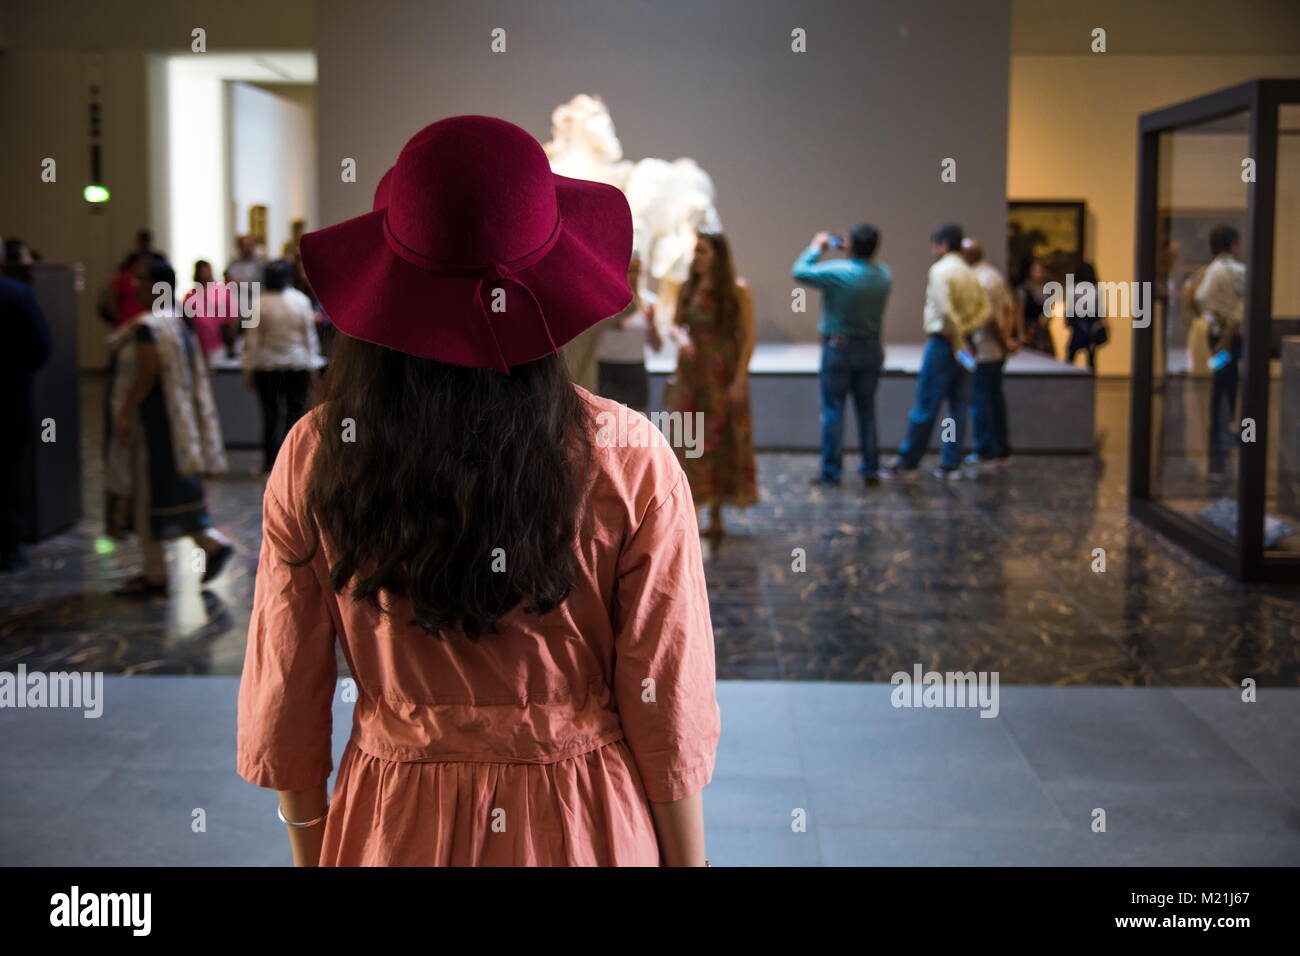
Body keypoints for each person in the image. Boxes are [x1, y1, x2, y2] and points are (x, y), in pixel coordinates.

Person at [237, 115, 720, 867]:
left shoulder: (317, 453)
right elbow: (666, 702)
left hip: (392, 826)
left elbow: (287, 697)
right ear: (552, 280)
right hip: (584, 821)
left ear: (388, 286)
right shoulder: (632, 459)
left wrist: (312, 847)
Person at [104, 257, 233, 596]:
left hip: (153, 421)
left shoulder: (149, 326)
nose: (135, 285)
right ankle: (209, 544)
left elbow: (147, 372)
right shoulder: (176, 319)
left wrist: (125, 411)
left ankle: (156, 571)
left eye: (141, 279)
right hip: (175, 420)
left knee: (149, 491)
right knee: (173, 487)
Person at [664, 231, 758, 536]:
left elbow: (748, 335)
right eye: (696, 252)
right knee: (686, 437)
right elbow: (676, 324)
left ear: (718, 255)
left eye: (703, 251)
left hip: (720, 373)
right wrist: (680, 338)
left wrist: (739, 378)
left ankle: (715, 512)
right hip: (691, 373)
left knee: (719, 438)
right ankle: (693, 508)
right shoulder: (686, 288)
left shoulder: (735, 290)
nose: (697, 258)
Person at [881, 223, 989, 480]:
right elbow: (984, 310)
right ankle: (951, 461)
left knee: (926, 404)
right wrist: (966, 331)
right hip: (967, 346)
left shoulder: (941, 271)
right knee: (958, 405)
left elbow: (943, 307)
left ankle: (910, 459)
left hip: (944, 344)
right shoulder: (970, 272)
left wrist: (955, 333)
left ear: (942, 245)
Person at [792, 223, 892, 488]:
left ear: (851, 244)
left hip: (839, 348)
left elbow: (800, 272)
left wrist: (817, 247)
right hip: (871, 348)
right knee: (867, 409)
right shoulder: (884, 275)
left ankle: (831, 472)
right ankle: (870, 467)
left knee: (833, 410)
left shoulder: (840, 272)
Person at [242, 259, 324, 474]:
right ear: (289, 277)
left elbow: (252, 340)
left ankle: (269, 463)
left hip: (266, 366)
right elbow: (309, 337)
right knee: (295, 414)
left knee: (269, 414)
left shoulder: (258, 302)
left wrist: (248, 369)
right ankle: (293, 463)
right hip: (297, 364)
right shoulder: (300, 301)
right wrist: (313, 366)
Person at [0, 276, 51, 571]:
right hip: (10, 398)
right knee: (8, 472)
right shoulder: (16, 294)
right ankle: (10, 546)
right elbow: (40, 345)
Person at [1194, 225, 1246, 480]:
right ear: (1232, 244)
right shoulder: (1233, 270)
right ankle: (1225, 429)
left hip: (1218, 335)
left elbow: (1202, 299)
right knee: (1228, 382)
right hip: (1229, 337)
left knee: (1223, 381)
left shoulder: (1213, 270)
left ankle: (1222, 429)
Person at [961, 238, 1014, 469]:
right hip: (993, 350)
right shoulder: (993, 275)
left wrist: (1004, 342)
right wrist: (1009, 340)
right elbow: (1008, 309)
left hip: (983, 349)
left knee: (980, 399)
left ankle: (984, 449)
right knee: (994, 397)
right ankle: (1001, 447)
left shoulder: (978, 280)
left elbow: (990, 317)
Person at [595, 252, 662, 412]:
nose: (633, 276)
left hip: (634, 370)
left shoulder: (648, 303)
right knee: (604, 425)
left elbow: (657, 346)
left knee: (635, 426)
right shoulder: (604, 300)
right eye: (630, 270)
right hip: (607, 368)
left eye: (637, 271)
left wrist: (652, 324)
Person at [182, 260, 236, 361]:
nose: (204, 274)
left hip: (218, 342)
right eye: (201, 271)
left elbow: (231, 318)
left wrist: (230, 338)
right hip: (198, 343)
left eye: (206, 270)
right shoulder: (191, 295)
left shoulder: (222, 291)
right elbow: (186, 320)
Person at [1065, 259, 1108, 371]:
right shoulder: (1096, 289)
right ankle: (1091, 380)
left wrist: (1069, 321)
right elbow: (1100, 310)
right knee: (1091, 356)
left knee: (1071, 353)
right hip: (1091, 323)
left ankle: (1067, 376)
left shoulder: (1074, 288)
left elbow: (1070, 309)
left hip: (1078, 323)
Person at [1017, 257, 1055, 356]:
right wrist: (1021, 333)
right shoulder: (1024, 290)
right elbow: (1019, 313)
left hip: (1041, 328)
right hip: (1029, 327)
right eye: (1036, 270)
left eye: (1041, 270)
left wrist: (1047, 317)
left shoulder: (1048, 289)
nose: (1038, 273)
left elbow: (1050, 308)